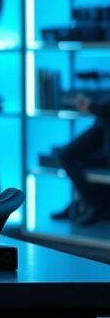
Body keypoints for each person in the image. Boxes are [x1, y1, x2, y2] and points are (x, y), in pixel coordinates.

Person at [52, 93, 110, 225]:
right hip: (101, 131)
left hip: (104, 137)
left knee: (68, 158)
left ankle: (92, 204)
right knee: (67, 157)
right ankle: (82, 203)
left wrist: (91, 106)